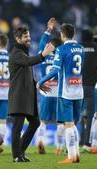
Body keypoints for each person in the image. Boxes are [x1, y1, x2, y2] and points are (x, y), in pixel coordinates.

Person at [37, 23, 84, 164]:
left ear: (62, 35)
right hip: (79, 91)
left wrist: (40, 81)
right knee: (73, 124)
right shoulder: (81, 49)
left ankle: (71, 156)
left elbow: (55, 70)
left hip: (66, 93)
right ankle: (76, 154)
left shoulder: (62, 49)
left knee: (68, 124)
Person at [9, 26, 54, 162]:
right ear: (18, 39)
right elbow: (28, 62)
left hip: (27, 95)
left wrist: (38, 84)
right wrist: (43, 55)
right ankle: (17, 156)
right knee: (17, 127)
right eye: (25, 37)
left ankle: (20, 151)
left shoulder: (23, 53)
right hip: (18, 96)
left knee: (35, 122)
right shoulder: (17, 53)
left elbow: (25, 75)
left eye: (28, 36)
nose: (29, 39)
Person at [35, 18, 63, 155]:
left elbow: (41, 44)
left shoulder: (44, 54)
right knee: (61, 122)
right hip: (58, 92)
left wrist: (48, 29)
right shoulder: (62, 55)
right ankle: (59, 148)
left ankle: (40, 140)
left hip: (45, 91)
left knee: (43, 121)